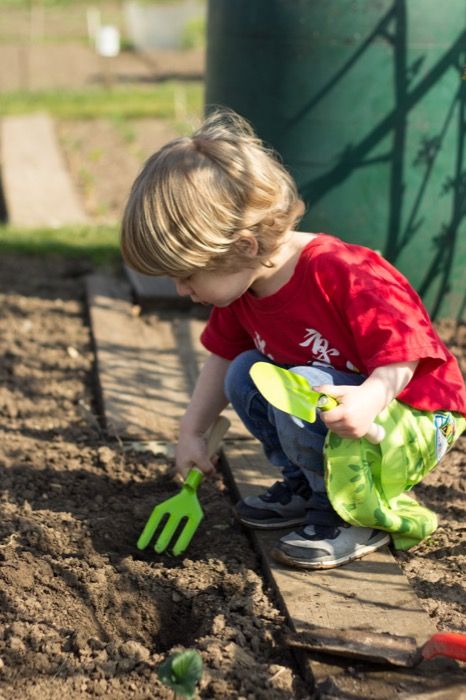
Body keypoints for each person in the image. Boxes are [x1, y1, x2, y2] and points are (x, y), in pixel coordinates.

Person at [121, 110, 466, 570]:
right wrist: (191, 431)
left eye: (186, 277)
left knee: (299, 385)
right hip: (341, 411)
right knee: (247, 372)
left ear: (244, 246)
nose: (182, 292)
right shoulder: (243, 288)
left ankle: (351, 513)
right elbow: (223, 359)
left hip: (415, 416)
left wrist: (371, 398)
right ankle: (309, 484)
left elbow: (406, 352)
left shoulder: (343, 272)